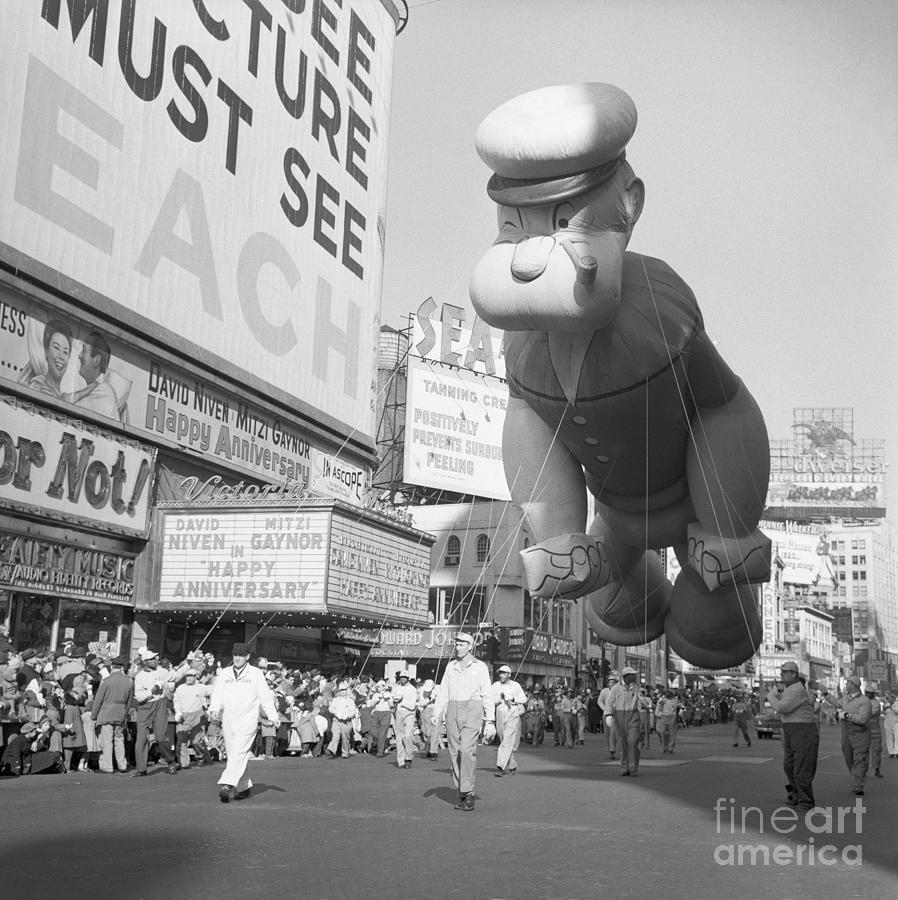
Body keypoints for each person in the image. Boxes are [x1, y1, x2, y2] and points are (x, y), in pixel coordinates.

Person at [208, 643, 280, 803]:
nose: (237, 658)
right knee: (234, 753)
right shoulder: (225, 673)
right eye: (235, 655)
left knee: (240, 751)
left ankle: (227, 784)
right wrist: (214, 709)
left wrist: (274, 716)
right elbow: (217, 694)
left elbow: (265, 697)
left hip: (247, 720)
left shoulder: (255, 674)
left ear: (247, 657)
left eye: (241, 655)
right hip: (228, 719)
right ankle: (244, 787)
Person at [432, 632, 495, 811]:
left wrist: (489, 721)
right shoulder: (450, 667)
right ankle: (462, 790)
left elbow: (487, 694)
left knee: (467, 750)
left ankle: (468, 792)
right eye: (456, 644)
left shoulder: (480, 667)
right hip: (452, 709)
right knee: (455, 752)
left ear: (470, 646)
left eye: (461, 644)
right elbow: (443, 692)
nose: (457, 647)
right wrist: (437, 713)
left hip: (473, 709)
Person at [766, 661, 819, 811]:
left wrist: (771, 696)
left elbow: (782, 708)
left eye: (784, 672)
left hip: (802, 730)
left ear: (794, 674)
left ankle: (806, 800)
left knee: (801, 766)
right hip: (792, 729)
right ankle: (797, 793)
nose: (781, 674)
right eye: (781, 671)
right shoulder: (791, 689)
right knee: (789, 765)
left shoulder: (796, 689)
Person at [132, 648, 181, 777]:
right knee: (141, 739)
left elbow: (176, 675)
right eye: (152, 659)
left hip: (160, 704)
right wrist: (153, 690)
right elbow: (139, 696)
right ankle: (141, 769)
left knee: (160, 737)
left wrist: (188, 662)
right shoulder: (139, 677)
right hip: (144, 707)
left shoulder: (162, 671)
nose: (155, 660)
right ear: (145, 662)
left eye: (155, 658)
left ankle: (170, 760)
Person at [91, 655, 134, 774]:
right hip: (121, 713)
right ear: (122, 667)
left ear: (111, 666)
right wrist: (125, 714)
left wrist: (94, 716)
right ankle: (122, 764)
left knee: (107, 740)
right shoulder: (129, 681)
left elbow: (98, 700)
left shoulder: (107, 681)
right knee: (119, 738)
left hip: (107, 713)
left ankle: (108, 766)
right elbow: (129, 702)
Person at [70, 330, 119, 418]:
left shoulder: (103, 392)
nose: (80, 355)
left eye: (84, 351)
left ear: (97, 360)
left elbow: (66, 406)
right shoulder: (95, 388)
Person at [19, 318, 73, 398]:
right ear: (46, 350)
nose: (61, 357)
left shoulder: (62, 397)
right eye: (56, 348)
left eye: (65, 352)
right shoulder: (36, 388)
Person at [490, 664, 527, 776]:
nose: (502, 675)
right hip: (500, 712)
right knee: (504, 739)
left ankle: (500, 767)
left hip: (512, 713)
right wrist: (499, 699)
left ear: (509, 674)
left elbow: (524, 699)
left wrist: (513, 699)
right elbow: (490, 700)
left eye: (504, 673)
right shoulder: (495, 686)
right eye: (500, 673)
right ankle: (512, 764)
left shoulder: (515, 685)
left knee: (507, 739)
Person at [606, 666, 642, 776]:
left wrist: (645, 703)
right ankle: (624, 767)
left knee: (633, 741)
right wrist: (608, 714)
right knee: (622, 744)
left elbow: (641, 699)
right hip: (619, 716)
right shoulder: (616, 688)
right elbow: (610, 702)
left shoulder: (636, 688)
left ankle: (633, 768)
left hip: (633, 716)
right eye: (633, 675)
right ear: (626, 676)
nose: (635, 676)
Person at [839, 675, 872, 796]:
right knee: (849, 758)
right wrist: (826, 694)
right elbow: (838, 704)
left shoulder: (864, 701)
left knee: (860, 760)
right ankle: (856, 778)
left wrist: (848, 716)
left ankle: (858, 785)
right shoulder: (846, 699)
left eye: (848, 683)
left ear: (854, 685)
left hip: (860, 734)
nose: (846, 685)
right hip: (846, 734)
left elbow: (863, 719)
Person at [173, 667, 212, 768]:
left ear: (196, 677)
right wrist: (178, 712)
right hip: (183, 716)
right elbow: (176, 700)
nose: (189, 678)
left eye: (191, 676)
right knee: (181, 742)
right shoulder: (180, 688)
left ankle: (200, 756)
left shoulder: (201, 688)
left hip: (197, 716)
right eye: (188, 676)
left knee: (196, 741)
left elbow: (213, 690)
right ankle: (183, 763)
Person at [390, 670, 418, 769]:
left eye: (405, 677)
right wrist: (394, 701)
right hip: (399, 712)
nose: (403, 679)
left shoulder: (412, 689)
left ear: (408, 678)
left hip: (409, 713)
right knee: (399, 737)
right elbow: (391, 702)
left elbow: (412, 705)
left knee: (408, 736)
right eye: (401, 677)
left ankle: (408, 758)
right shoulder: (396, 688)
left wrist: (401, 701)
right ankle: (401, 760)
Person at [327, 681, 358, 760]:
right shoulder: (335, 700)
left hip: (346, 721)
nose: (342, 692)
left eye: (344, 690)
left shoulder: (350, 701)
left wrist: (347, 716)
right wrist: (337, 713)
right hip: (337, 720)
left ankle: (345, 753)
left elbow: (354, 711)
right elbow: (330, 709)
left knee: (345, 737)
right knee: (335, 735)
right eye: (341, 690)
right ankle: (331, 749)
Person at [863, 683, 883, 779]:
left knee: (876, 751)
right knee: (863, 752)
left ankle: (877, 769)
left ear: (873, 694)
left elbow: (871, 713)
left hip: (875, 731)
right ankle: (863, 770)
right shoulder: (862, 701)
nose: (867, 694)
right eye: (866, 692)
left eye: (869, 693)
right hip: (864, 731)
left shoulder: (876, 703)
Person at [598, 675, 619, 759]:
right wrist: (604, 708)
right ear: (608, 683)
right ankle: (610, 749)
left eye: (613, 682)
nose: (612, 683)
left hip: (615, 714)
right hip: (606, 713)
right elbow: (599, 700)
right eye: (610, 682)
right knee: (607, 733)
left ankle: (612, 749)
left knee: (613, 732)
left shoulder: (618, 691)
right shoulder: (604, 691)